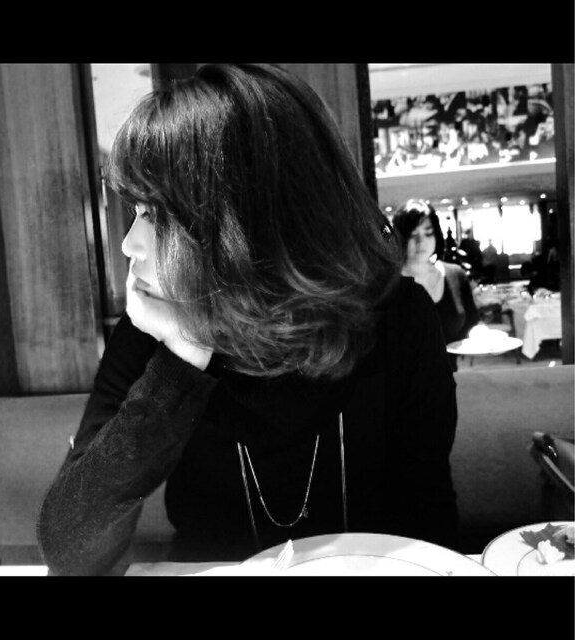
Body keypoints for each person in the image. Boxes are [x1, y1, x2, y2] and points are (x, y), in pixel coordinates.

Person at [37, 63, 459, 576]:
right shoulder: (155, 327)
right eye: (137, 211)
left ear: (252, 222)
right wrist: (182, 358)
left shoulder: (399, 320)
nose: (129, 244)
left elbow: (430, 522)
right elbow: (70, 552)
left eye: (158, 215)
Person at [391, 199, 479, 372]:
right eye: (412, 235)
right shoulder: (387, 283)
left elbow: (471, 322)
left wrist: (479, 336)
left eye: (428, 233)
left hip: (450, 378)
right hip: (400, 383)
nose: (421, 242)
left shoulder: (455, 275)